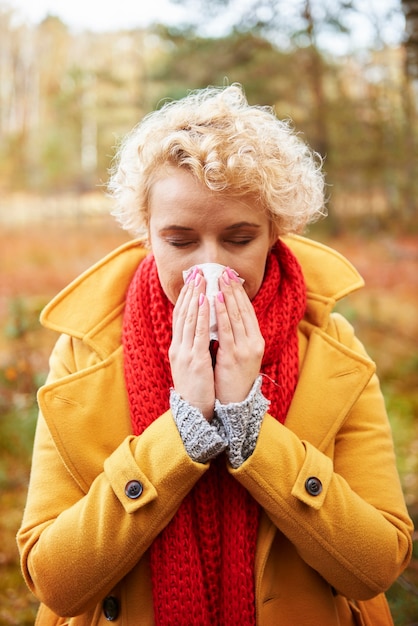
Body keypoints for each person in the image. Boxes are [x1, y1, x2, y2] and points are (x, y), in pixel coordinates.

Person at [17, 84, 413, 626]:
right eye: (180, 242)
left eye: (238, 238)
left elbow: (374, 568)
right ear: (147, 237)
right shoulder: (84, 353)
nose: (210, 267)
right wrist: (179, 434)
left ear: (275, 232)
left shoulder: (332, 347)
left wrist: (251, 422)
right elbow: (55, 583)